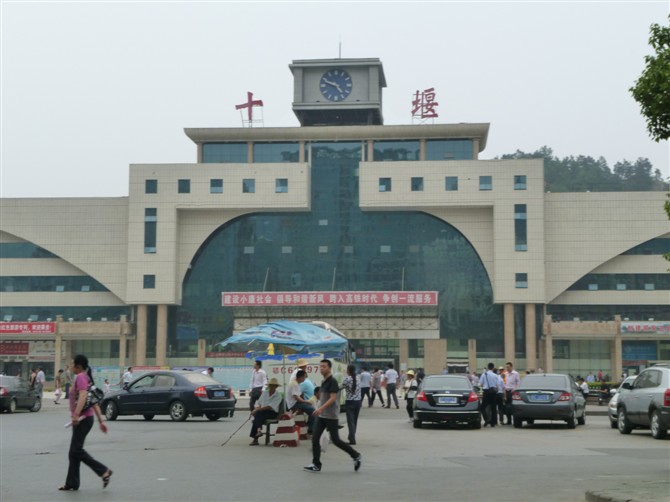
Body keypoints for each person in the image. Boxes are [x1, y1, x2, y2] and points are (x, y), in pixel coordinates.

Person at [58, 354, 112, 491]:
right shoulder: (86, 377)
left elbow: (83, 396)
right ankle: (72, 483)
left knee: (76, 450)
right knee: (73, 452)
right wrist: (101, 421)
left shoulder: (81, 377)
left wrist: (76, 415)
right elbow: (93, 401)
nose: (71, 366)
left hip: (82, 419)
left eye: (73, 364)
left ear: (78, 366)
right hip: (85, 419)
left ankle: (103, 471)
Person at [304, 359, 361, 473]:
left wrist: (321, 408)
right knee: (315, 438)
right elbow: (323, 397)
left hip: (331, 415)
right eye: (320, 366)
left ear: (329, 368)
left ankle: (356, 455)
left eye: (324, 366)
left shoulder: (332, 381)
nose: (321, 368)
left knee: (336, 440)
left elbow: (333, 398)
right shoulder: (323, 381)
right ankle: (316, 464)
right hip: (322, 416)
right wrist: (319, 408)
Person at [249, 378, 282, 446]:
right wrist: (256, 409)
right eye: (270, 385)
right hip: (262, 411)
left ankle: (256, 438)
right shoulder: (265, 393)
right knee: (258, 414)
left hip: (272, 413)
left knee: (257, 415)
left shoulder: (278, 395)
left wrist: (257, 410)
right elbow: (260, 403)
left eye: (273, 385)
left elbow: (270, 407)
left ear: (276, 386)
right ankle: (259, 431)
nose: (271, 387)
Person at [286, 370, 315, 434]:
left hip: (296, 403)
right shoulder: (294, 384)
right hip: (294, 404)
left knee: (310, 406)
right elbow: (296, 397)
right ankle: (310, 428)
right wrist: (306, 402)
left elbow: (299, 395)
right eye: (304, 377)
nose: (305, 378)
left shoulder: (296, 383)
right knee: (313, 410)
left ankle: (310, 425)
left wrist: (306, 402)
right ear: (301, 377)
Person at [342, 364, 362, 445]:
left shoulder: (347, 379)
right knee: (354, 421)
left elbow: (339, 387)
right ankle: (351, 437)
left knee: (350, 422)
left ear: (348, 370)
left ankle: (352, 439)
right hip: (358, 402)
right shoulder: (358, 378)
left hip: (350, 402)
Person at [479, 362, 499, 427]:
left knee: (483, 407)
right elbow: (497, 385)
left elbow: (481, 384)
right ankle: (493, 423)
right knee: (493, 408)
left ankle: (486, 419)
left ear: (488, 367)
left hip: (486, 392)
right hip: (493, 393)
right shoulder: (495, 375)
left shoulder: (484, 374)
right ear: (493, 368)